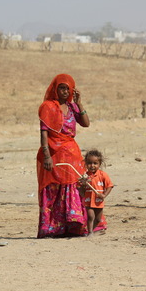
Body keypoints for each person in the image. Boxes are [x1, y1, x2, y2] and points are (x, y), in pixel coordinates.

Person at [36, 73, 106, 238]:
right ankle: (53, 228)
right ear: (56, 89)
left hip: (71, 154)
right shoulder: (48, 107)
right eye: (62, 88)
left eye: (68, 88)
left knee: (75, 187)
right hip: (53, 154)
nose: (65, 92)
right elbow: (44, 133)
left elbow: (86, 123)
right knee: (53, 189)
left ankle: (76, 226)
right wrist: (46, 155)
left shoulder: (72, 107)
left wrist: (79, 103)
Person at [80, 149, 113, 236]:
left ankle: (90, 231)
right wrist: (83, 184)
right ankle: (90, 232)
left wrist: (104, 195)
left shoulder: (103, 175)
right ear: (86, 164)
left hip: (99, 201)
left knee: (98, 219)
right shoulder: (85, 176)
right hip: (88, 200)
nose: (92, 166)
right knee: (90, 216)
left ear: (100, 164)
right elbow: (80, 190)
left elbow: (110, 186)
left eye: (95, 163)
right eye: (89, 163)